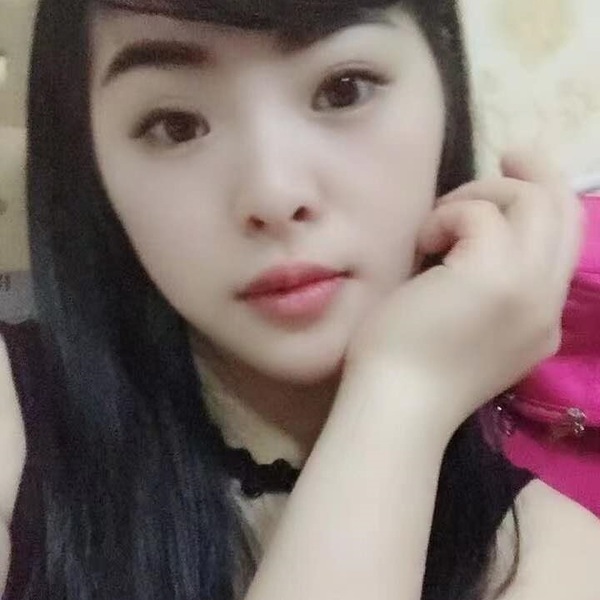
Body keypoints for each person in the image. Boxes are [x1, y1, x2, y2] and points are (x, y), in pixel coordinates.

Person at [0, 0, 599, 599]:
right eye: (175, 125)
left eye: (344, 90)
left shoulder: (549, 562)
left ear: (444, 91)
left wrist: (403, 393)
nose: (274, 193)